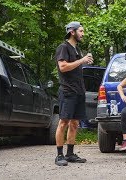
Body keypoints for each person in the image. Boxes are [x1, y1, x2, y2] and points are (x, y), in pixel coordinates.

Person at [54, 21, 93, 166]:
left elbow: (75, 67)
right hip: (67, 91)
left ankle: (70, 154)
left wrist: (83, 61)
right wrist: (82, 60)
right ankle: (59, 156)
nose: (83, 34)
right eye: (81, 31)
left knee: (75, 123)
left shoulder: (77, 49)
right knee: (63, 122)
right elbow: (63, 67)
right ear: (72, 32)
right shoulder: (63, 47)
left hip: (79, 91)